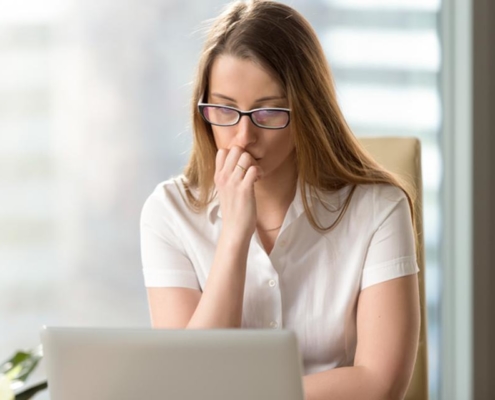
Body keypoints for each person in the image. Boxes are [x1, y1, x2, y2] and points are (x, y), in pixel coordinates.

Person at [140, 1, 420, 399]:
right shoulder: (168, 214)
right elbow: (189, 383)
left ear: (307, 110)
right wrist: (234, 237)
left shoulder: (377, 209)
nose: (243, 137)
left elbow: (379, 384)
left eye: (268, 113)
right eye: (224, 109)